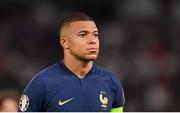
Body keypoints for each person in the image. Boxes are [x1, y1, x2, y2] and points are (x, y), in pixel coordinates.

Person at [18, 12, 125, 112]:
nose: (92, 40)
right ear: (65, 42)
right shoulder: (42, 83)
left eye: (95, 35)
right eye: (83, 35)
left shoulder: (111, 82)